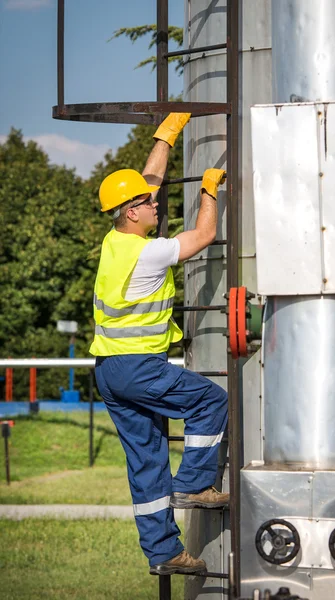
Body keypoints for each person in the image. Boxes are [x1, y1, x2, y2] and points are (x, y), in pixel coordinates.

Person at [90, 112, 228, 576]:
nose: (157, 202)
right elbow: (205, 235)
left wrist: (166, 136)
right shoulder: (149, 253)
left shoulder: (116, 241)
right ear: (133, 211)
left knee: (147, 462)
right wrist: (209, 190)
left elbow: (148, 178)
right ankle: (194, 484)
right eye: (149, 203)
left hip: (109, 371)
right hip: (138, 367)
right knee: (211, 401)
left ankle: (165, 553)